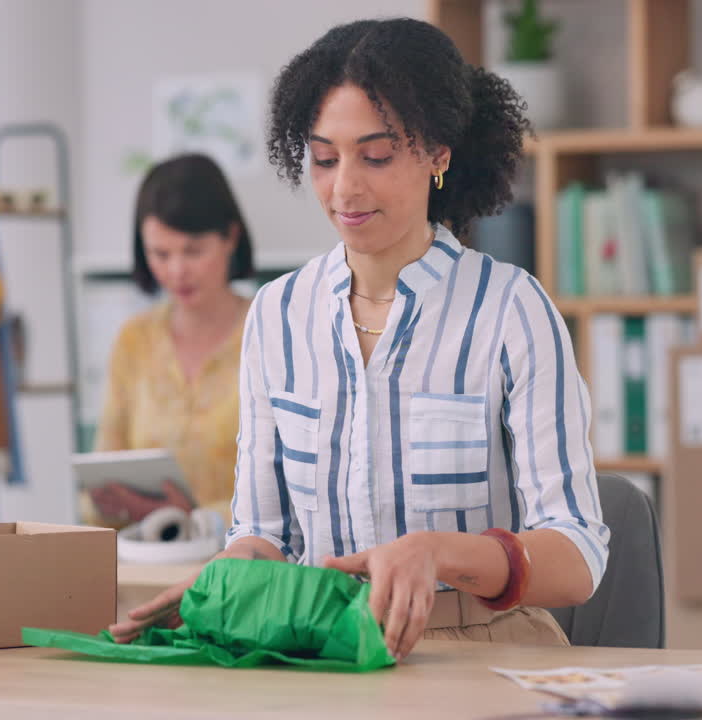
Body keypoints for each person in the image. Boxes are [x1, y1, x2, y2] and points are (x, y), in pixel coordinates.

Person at [110, 18, 608, 661]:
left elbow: (578, 555)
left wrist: (437, 554)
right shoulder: (277, 314)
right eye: (324, 158)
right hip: (322, 648)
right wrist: (228, 581)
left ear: (438, 154)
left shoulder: (510, 309)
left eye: (375, 156)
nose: (344, 187)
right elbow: (263, 533)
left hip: (483, 649)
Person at [89, 153, 255, 526]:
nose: (177, 271)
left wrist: (192, 518)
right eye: (160, 254)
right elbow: (103, 468)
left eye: (193, 251)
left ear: (231, 237)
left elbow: (296, 488)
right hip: (145, 562)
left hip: (247, 568)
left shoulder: (272, 330)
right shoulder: (134, 340)